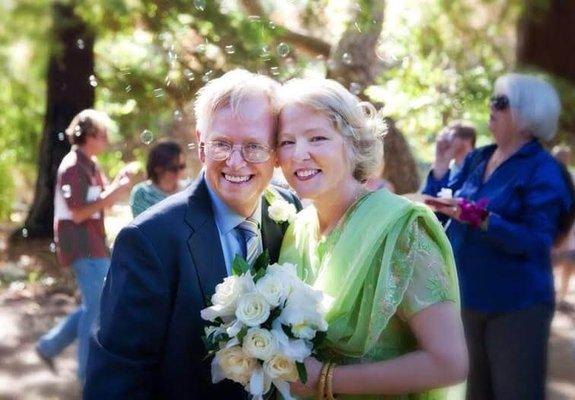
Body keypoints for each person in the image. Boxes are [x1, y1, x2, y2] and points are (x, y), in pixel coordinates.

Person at [84, 70, 301, 399]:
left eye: (254, 147)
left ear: (276, 153)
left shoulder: (288, 211)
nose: (236, 161)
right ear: (201, 146)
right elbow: (117, 381)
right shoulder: (148, 241)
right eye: (221, 144)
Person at [277, 78, 468, 399]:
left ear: (353, 145)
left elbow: (449, 363)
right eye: (286, 141)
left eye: (318, 138)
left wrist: (326, 379)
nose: (299, 154)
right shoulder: (297, 229)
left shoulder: (401, 228)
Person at [423, 74, 574, 399]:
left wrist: (479, 217)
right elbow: (433, 211)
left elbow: (536, 241)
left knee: (515, 393)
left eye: (501, 102)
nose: (492, 106)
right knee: (475, 393)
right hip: (468, 298)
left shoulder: (544, 169)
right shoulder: (479, 157)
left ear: (527, 115)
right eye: (493, 99)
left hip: (516, 306)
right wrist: (439, 164)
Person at [36, 109, 135, 382]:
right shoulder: (72, 167)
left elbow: (101, 201)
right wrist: (114, 192)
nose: (106, 140)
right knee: (97, 307)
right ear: (89, 136)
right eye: (102, 134)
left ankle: (49, 346)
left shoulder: (90, 164)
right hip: (79, 244)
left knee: (94, 303)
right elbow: (79, 212)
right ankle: (86, 376)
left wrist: (117, 184)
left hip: (93, 244)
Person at [129, 140, 185, 217]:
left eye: (182, 166)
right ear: (157, 168)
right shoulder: (142, 193)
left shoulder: (190, 188)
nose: (179, 172)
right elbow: (143, 226)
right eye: (173, 168)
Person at [552, 145, 575, 312]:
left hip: (566, 229)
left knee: (567, 263)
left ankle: (561, 295)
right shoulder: (546, 177)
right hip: (550, 229)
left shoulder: (571, 178)